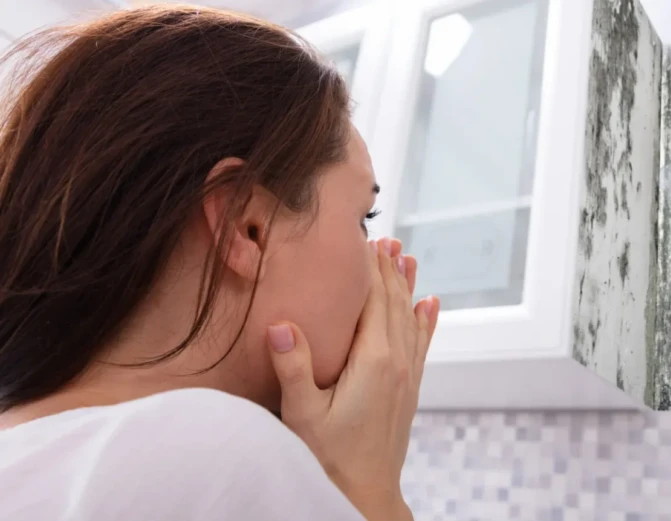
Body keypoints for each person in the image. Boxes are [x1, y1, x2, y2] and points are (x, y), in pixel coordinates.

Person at [0, 5, 440, 520]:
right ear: (246, 226)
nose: (383, 264)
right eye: (364, 216)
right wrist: (370, 489)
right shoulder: (212, 450)